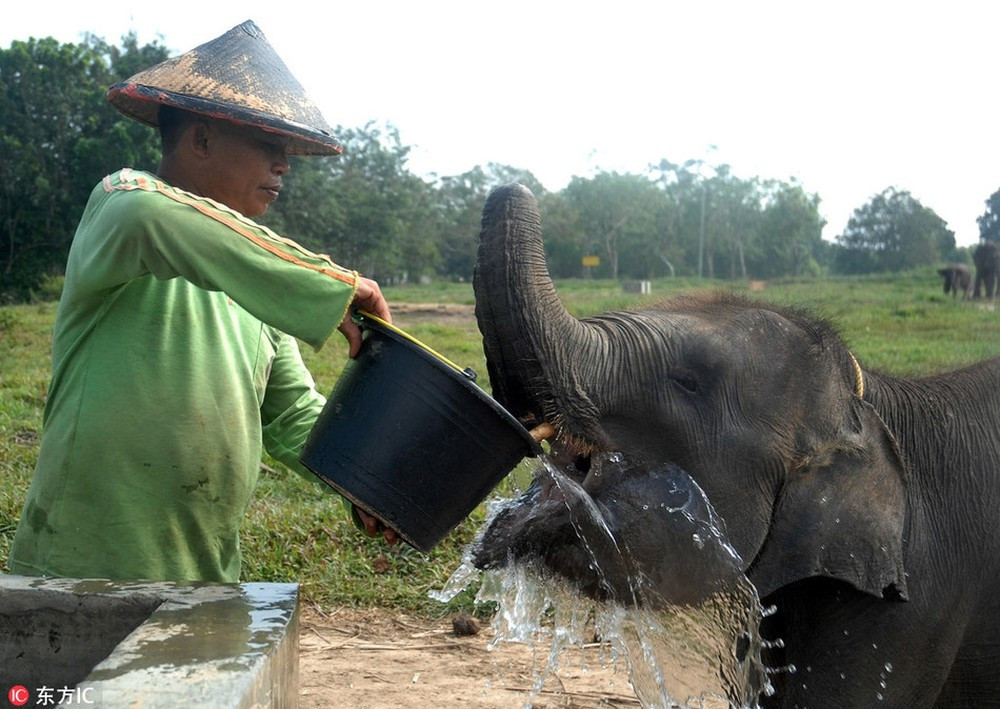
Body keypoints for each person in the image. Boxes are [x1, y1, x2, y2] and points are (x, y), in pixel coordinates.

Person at [8, 20, 397, 583]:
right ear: (202, 138)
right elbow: (149, 214)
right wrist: (328, 284)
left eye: (286, 150)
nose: (283, 164)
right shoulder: (119, 206)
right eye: (269, 145)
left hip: (204, 574)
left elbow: (290, 415)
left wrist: (364, 481)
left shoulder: (259, 282)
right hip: (78, 567)